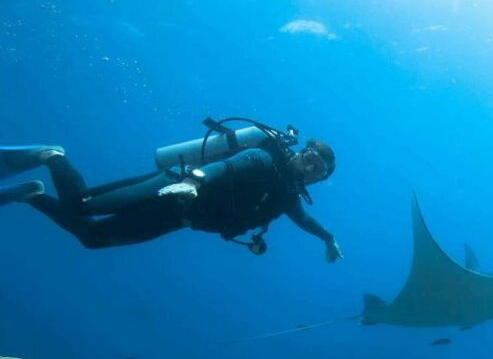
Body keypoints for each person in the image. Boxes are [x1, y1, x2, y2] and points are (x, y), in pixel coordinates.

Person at [0, 128, 343, 262]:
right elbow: (227, 166)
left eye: (317, 171)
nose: (309, 168)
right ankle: (53, 156)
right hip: (170, 187)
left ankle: (32, 195)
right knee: (80, 205)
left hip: (178, 218)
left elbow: (303, 219)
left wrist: (328, 239)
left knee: (92, 238)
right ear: (302, 151)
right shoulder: (265, 158)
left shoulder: (286, 195)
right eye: (310, 158)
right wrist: (194, 180)